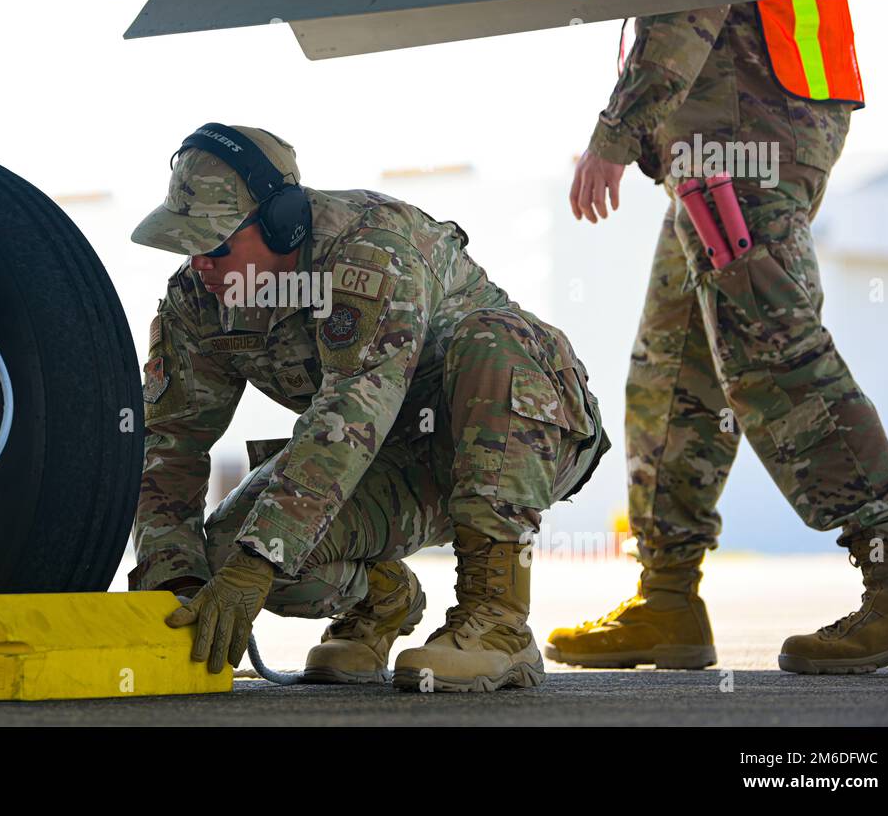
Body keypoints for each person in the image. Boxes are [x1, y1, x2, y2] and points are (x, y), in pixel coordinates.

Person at [128, 122, 609, 691]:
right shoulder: (197, 300)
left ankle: (498, 623)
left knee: (492, 341)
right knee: (234, 550)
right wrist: (174, 589)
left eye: (215, 243)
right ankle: (383, 600)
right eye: (187, 243)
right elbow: (170, 445)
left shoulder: (369, 250)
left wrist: (259, 563)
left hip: (512, 437)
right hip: (391, 461)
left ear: (283, 225)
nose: (198, 264)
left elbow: (351, 409)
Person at [550, 0, 888, 674]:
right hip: (728, 130)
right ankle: (667, 601)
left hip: (743, 127)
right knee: (674, 370)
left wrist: (616, 134)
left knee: (772, 352)